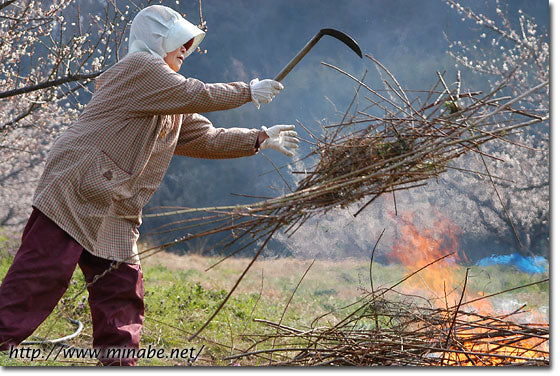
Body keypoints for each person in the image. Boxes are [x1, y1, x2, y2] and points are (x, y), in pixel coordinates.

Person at [0, 5, 299, 366]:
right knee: (39, 281)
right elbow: (197, 93)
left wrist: (259, 138)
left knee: (122, 289)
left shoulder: (168, 96)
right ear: (158, 40)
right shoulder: (141, 68)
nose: (187, 49)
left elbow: (204, 138)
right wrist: (247, 91)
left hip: (116, 206)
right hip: (77, 189)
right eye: (180, 41)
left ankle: (120, 365)